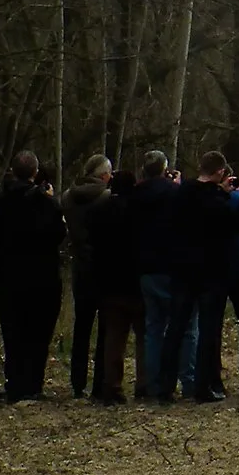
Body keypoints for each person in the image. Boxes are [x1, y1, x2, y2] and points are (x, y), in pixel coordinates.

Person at [162, 151, 239, 403]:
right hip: (211, 272)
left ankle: (164, 386)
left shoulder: (180, 194)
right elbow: (236, 224)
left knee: (175, 328)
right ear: (220, 172)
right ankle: (203, 386)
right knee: (209, 330)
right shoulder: (217, 202)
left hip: (183, 269)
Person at [0, 152, 65, 401]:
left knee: (13, 333)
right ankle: (33, 384)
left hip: (10, 277)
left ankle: (14, 382)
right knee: (39, 333)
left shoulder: (2, 202)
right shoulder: (46, 203)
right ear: (35, 172)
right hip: (43, 278)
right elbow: (59, 234)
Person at [130, 151, 194, 399]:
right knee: (186, 327)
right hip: (173, 266)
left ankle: (154, 384)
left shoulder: (135, 195)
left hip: (146, 267)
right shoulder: (175, 193)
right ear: (165, 169)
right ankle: (187, 381)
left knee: (153, 328)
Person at [61, 154, 115, 398]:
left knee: (82, 327)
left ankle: (77, 381)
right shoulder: (106, 198)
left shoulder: (68, 196)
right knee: (105, 329)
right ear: (104, 175)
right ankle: (100, 382)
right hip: (103, 267)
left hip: (80, 266)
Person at [87, 170, 142, 403]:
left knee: (114, 337)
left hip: (108, 280)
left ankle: (112, 385)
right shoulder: (138, 210)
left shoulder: (100, 210)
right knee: (143, 335)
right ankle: (145, 384)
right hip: (135, 278)